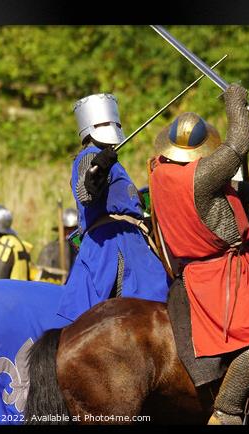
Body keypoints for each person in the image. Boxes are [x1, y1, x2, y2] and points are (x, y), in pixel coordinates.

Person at [150, 84, 249, 425]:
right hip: (219, 274)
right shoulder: (201, 176)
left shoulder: (160, 171)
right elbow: (239, 142)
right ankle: (227, 410)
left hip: (200, 270)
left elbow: (212, 190)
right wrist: (235, 100)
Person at [55, 92, 170, 322]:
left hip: (130, 237)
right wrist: (97, 171)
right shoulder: (91, 156)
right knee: (150, 309)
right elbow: (85, 192)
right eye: (107, 123)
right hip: (113, 241)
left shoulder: (109, 160)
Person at [36, 207, 79, 281]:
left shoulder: (83, 247)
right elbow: (42, 276)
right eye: (67, 230)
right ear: (62, 230)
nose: (69, 233)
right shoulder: (49, 250)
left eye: (73, 229)